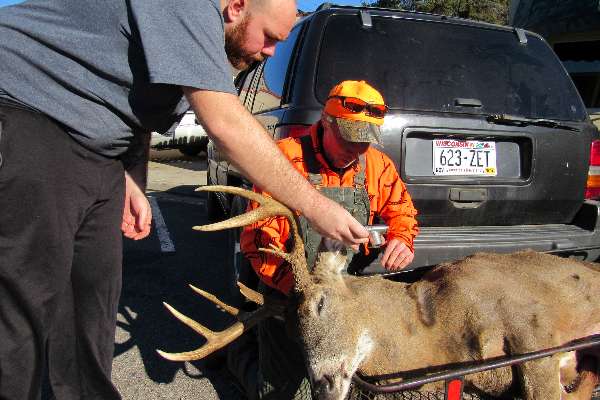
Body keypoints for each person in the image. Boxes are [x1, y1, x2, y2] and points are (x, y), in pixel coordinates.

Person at [0, 0, 370, 399]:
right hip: (29, 113)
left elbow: (136, 106)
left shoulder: (196, 43)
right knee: (25, 300)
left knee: (93, 299)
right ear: (236, 7)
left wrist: (133, 177)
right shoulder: (188, 6)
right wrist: (316, 206)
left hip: (99, 151)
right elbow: (225, 124)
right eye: (269, 38)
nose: (271, 53)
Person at [234, 80, 419, 399]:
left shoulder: (376, 164)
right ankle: (238, 357)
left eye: (364, 142)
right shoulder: (285, 159)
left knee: (335, 385)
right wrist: (299, 291)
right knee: (280, 389)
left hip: (343, 293)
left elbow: (401, 209)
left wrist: (401, 238)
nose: (356, 150)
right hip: (290, 290)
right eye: (348, 139)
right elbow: (260, 240)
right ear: (326, 122)